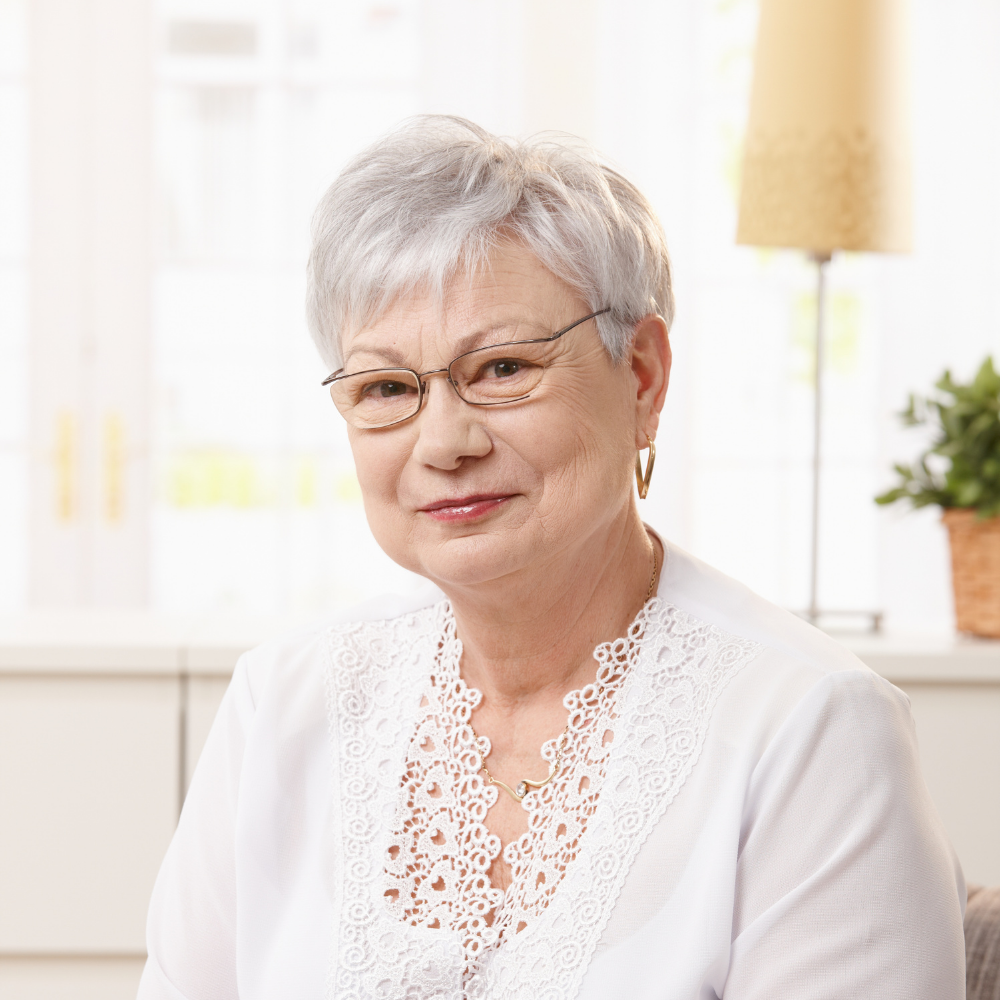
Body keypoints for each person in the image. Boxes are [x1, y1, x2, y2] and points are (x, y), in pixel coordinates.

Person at [138, 116, 965, 1000]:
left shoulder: (812, 731)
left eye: (502, 368)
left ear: (642, 376)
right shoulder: (280, 704)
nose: (444, 441)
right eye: (386, 388)